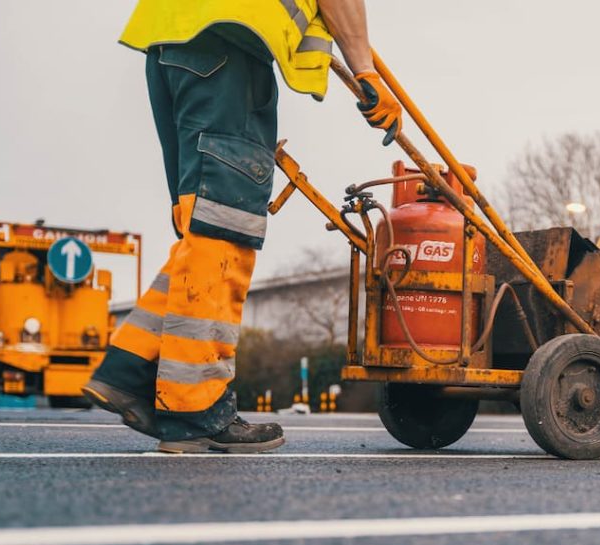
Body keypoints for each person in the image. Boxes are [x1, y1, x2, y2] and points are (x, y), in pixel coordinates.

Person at [83, 0, 402, 453]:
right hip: (225, 47)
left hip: (170, 43)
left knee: (205, 228)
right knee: (224, 232)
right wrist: (366, 70)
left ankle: (132, 367)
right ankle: (196, 410)